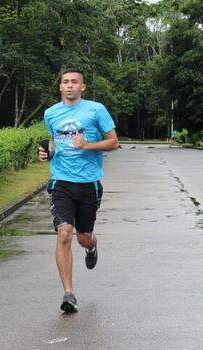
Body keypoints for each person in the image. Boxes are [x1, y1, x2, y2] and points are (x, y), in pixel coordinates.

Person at [38, 69, 119, 313]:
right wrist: (47, 152)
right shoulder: (51, 113)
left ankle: (92, 245)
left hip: (88, 184)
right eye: (65, 82)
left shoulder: (96, 110)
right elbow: (53, 141)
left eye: (74, 82)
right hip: (61, 181)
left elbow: (114, 142)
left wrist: (88, 145)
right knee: (64, 234)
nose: (70, 86)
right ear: (60, 87)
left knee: (83, 237)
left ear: (82, 87)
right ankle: (69, 293)